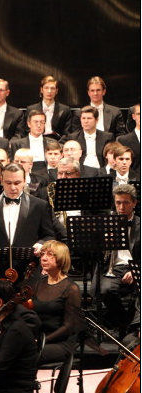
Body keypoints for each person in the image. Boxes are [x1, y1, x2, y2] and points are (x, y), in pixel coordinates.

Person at [0, 163, 56, 255]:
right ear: (1, 181)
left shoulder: (40, 205)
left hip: (29, 260)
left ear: (24, 181)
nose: (13, 188)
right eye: (8, 183)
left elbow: (49, 235)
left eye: (17, 183)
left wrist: (41, 243)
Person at [31, 240, 83, 365]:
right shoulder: (39, 284)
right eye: (42, 254)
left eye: (50, 255)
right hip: (39, 339)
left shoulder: (71, 288)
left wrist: (42, 341)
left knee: (26, 355)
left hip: (61, 343)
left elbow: (68, 326)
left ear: (61, 259)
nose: (43, 258)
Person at [97, 184, 140, 332]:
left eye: (126, 202)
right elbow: (96, 255)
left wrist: (136, 270)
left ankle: (132, 326)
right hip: (113, 267)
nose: (121, 207)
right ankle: (125, 324)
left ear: (134, 203)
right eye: (118, 203)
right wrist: (103, 243)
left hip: (135, 266)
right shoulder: (107, 223)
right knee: (106, 290)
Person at [65, 105, 115, 170]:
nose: (86, 121)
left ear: (96, 120)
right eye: (83, 118)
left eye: (89, 118)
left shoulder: (107, 137)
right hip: (80, 170)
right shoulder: (73, 137)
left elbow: (110, 158)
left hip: (101, 170)